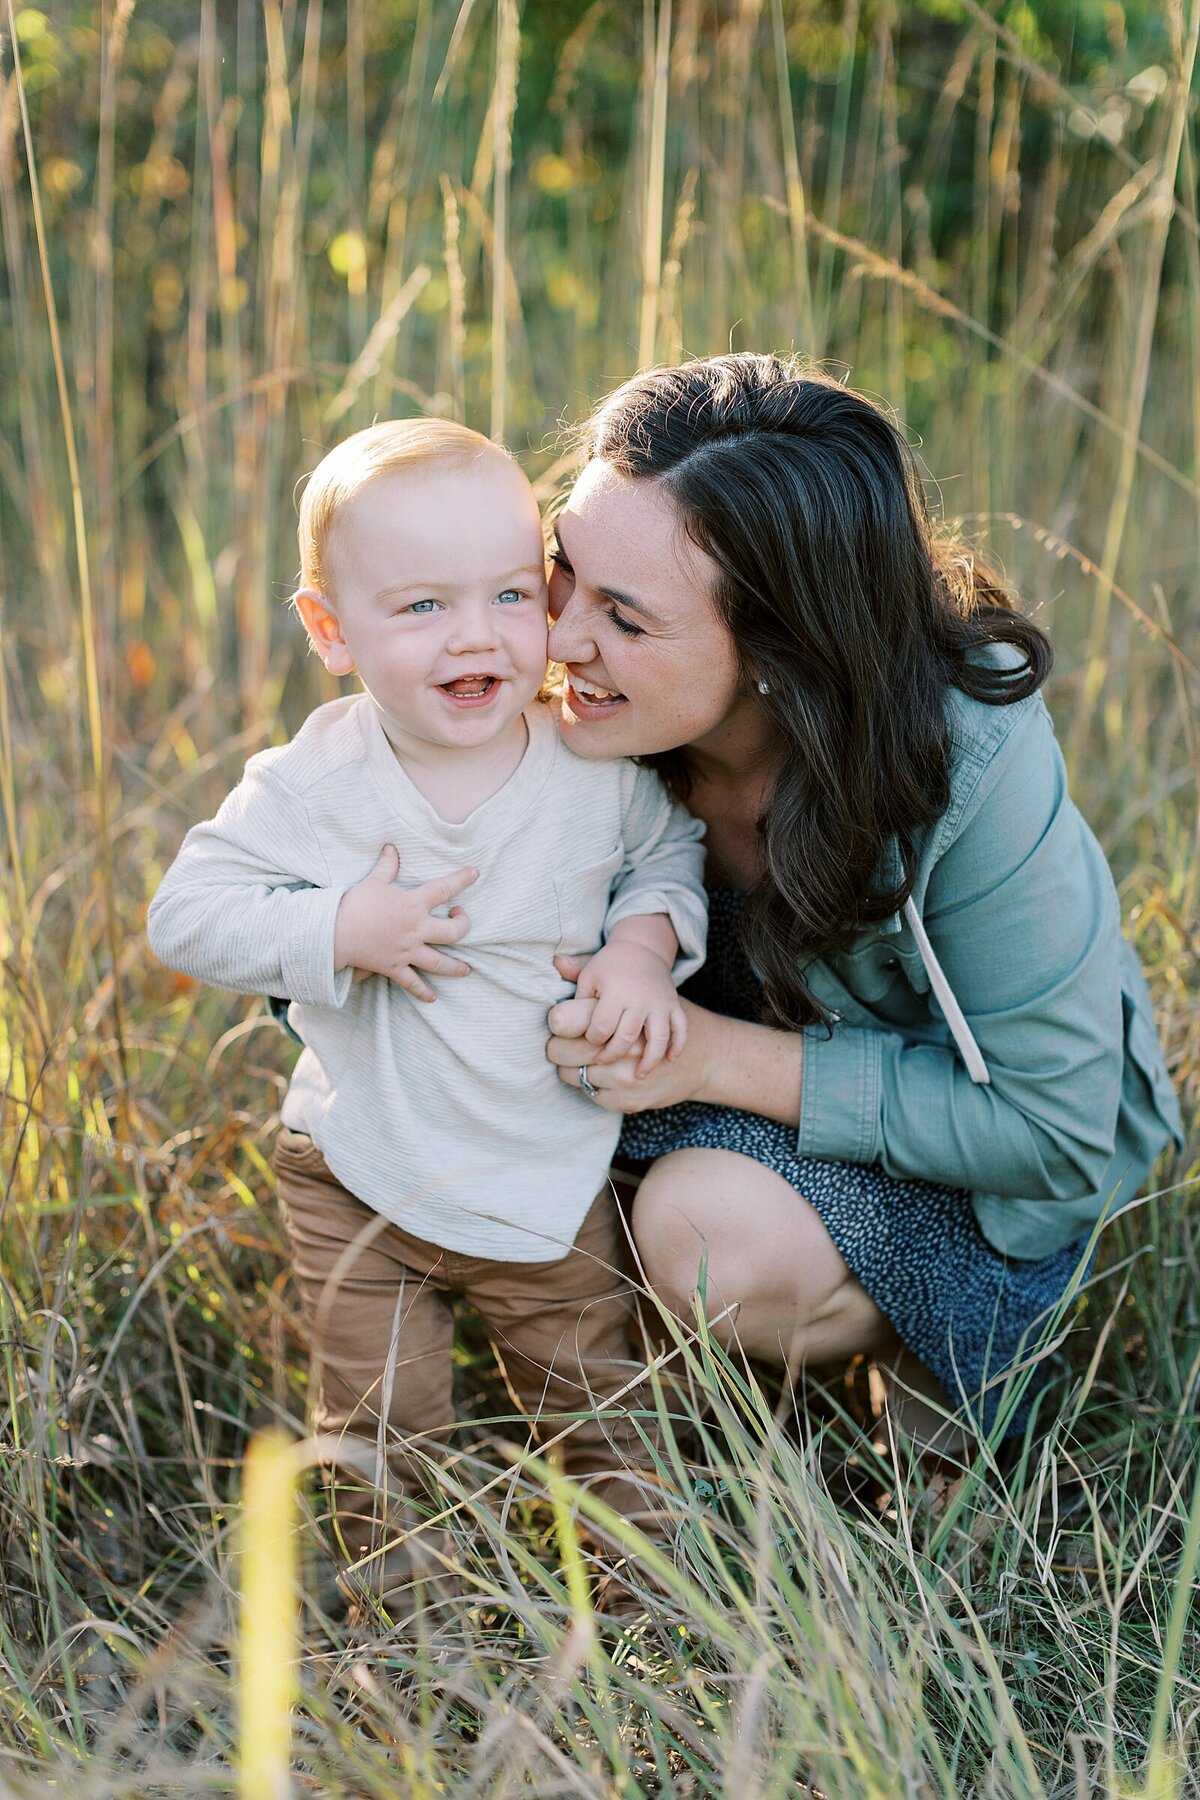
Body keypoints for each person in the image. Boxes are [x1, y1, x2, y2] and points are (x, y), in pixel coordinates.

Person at [543, 351, 1183, 1449]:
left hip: (951, 1158)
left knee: (704, 1235)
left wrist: (710, 1059)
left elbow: (1055, 1131)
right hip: (672, 1109)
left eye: (625, 619)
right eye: (561, 568)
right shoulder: (552, 701)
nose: (558, 637)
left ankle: (936, 1352)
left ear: (778, 653)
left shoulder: (967, 758)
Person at [147, 418, 707, 1618]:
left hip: (543, 1169)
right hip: (360, 1173)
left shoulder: (591, 766)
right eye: (420, 608)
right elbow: (186, 914)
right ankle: (397, 1633)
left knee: (595, 1399)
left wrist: (643, 948)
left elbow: (670, 857)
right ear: (332, 632)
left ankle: (645, 1613)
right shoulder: (315, 782)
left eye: (510, 592)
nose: (475, 635)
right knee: (378, 1425)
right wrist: (338, 929)